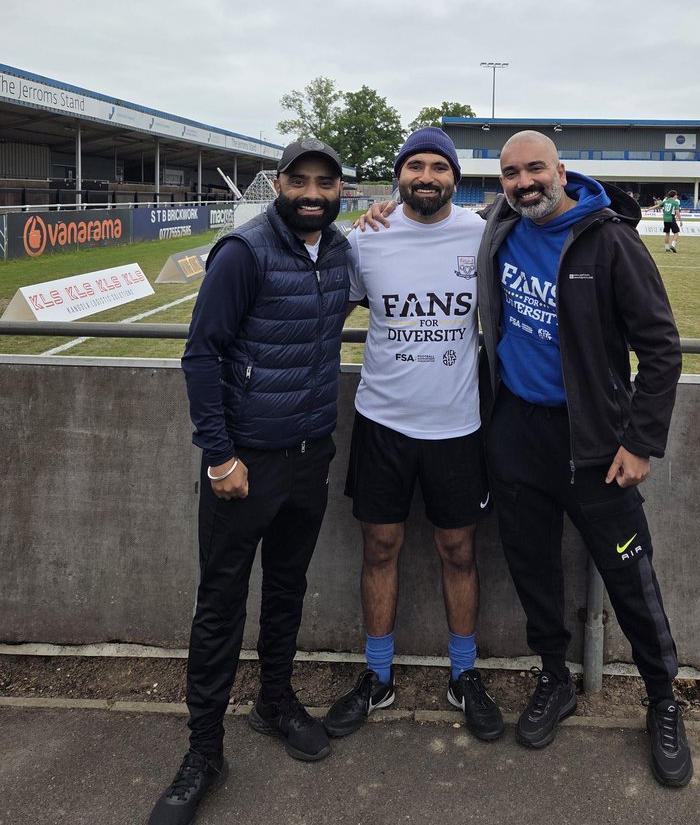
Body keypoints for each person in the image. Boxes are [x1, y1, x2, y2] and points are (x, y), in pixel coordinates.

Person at [477, 131, 692, 787]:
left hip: (595, 444)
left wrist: (640, 441)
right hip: (516, 432)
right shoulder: (499, 226)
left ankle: (663, 700)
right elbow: (427, 212)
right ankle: (554, 678)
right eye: (511, 173)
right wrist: (380, 208)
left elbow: (661, 347)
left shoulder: (610, 241)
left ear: (561, 171)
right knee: (532, 565)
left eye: (535, 169)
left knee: (630, 574)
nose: (524, 183)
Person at [149, 139, 350, 825]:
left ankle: (274, 699)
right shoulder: (243, 251)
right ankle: (204, 751)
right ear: (279, 185)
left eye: (326, 182)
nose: (313, 193)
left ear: (341, 190)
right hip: (245, 465)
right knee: (220, 606)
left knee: (288, 588)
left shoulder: (342, 250)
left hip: (310, 456)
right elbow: (200, 354)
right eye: (300, 180)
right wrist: (220, 455)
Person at [324, 129, 503, 743]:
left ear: (455, 178)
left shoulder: (482, 237)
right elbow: (327, 309)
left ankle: (464, 675)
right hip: (383, 424)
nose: (427, 177)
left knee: (459, 551)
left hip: (458, 426)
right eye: (415, 166)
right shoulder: (366, 237)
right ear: (399, 174)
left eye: (438, 167)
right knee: (379, 548)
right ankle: (377, 678)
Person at [660, 189, 681, 253]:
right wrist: (681, 220)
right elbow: (677, 212)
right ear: (674, 195)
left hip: (665, 219)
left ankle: (667, 248)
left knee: (667, 233)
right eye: (676, 195)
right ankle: (673, 245)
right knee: (676, 233)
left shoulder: (665, 201)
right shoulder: (675, 202)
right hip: (671, 218)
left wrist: (649, 209)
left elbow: (658, 206)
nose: (677, 196)